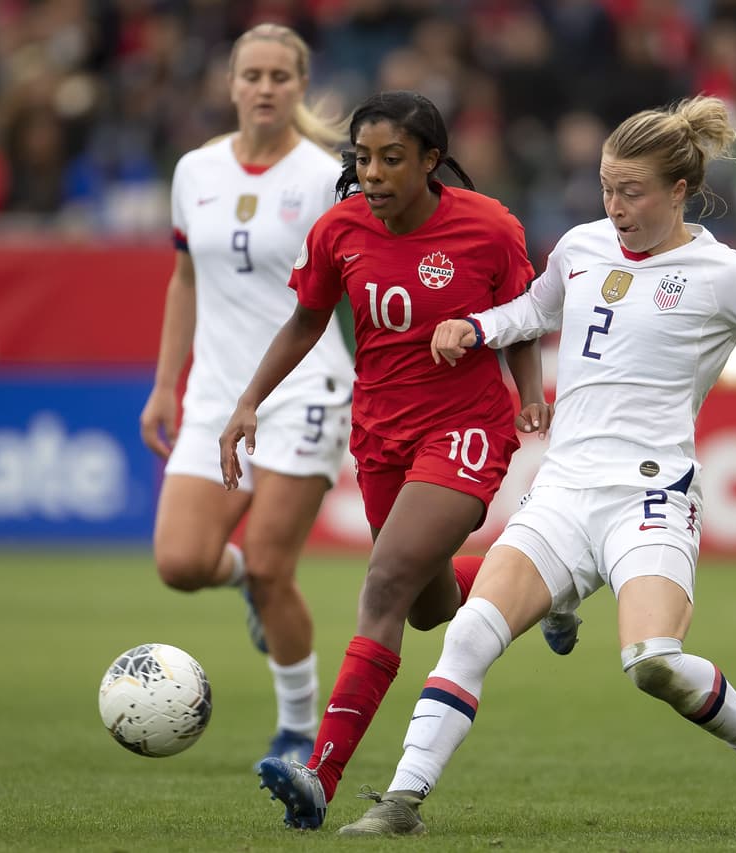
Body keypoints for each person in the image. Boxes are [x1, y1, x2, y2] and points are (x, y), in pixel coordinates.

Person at [334, 95, 736, 838]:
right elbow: (533, 310)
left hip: (651, 494)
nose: (614, 206)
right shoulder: (582, 247)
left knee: (653, 661)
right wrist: (478, 325)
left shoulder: (723, 274)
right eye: (606, 187)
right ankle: (401, 801)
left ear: (679, 190)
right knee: (468, 634)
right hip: (561, 489)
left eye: (632, 191)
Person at [217, 90, 550, 830]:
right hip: (379, 434)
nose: (372, 172)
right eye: (362, 158)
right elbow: (306, 319)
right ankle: (543, 580)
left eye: (391, 158)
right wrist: (248, 402)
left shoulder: (489, 227)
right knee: (428, 605)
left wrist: (528, 391)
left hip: (464, 427)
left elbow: (523, 316)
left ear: (431, 161)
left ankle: (320, 775)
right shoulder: (339, 229)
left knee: (385, 581)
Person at [138, 23, 355, 772]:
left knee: (270, 565)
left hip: (306, 390)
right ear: (230, 85)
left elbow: (351, 294)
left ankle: (298, 732)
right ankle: (249, 593)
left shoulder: (327, 179)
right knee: (181, 561)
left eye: (280, 76)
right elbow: (185, 277)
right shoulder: (194, 171)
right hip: (213, 394)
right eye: (252, 75)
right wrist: (167, 382)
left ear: (300, 87)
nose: (265, 88)